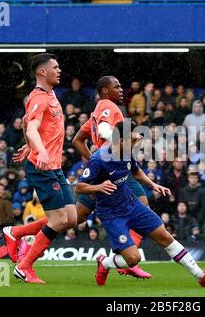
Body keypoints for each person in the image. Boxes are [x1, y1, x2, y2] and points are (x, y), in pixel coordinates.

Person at [76, 121, 205, 287]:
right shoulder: (98, 160)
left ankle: (201, 277)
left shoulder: (126, 153)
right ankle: (104, 263)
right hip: (111, 214)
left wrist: (153, 185)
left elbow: (136, 171)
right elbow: (80, 188)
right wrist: (98, 186)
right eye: (133, 139)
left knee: (164, 236)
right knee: (133, 259)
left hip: (131, 204)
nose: (136, 142)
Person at [3, 53, 77, 283]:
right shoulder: (39, 97)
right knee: (57, 221)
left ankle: (15, 233)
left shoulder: (51, 94)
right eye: (55, 67)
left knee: (71, 218)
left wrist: (28, 145)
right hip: (42, 167)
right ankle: (24, 267)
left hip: (54, 167)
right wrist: (39, 150)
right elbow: (33, 127)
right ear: (42, 72)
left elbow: (29, 124)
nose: (59, 70)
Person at [72, 76, 153, 279]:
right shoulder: (108, 105)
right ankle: (123, 261)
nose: (121, 89)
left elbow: (77, 140)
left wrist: (93, 160)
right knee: (143, 209)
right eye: (116, 86)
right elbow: (104, 130)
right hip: (113, 167)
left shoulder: (95, 113)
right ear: (105, 91)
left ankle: (24, 237)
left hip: (107, 169)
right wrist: (124, 140)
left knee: (76, 217)